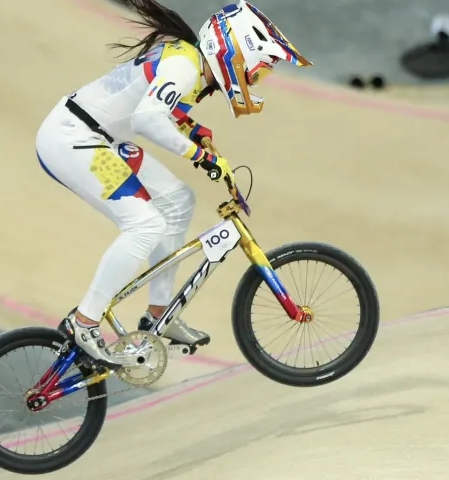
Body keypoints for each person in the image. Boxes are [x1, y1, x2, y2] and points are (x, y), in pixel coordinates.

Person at [35, 0, 311, 368]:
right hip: (76, 140)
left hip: (99, 138)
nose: (256, 79)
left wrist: (196, 134)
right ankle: (83, 322)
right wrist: (198, 154)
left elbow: (158, 106)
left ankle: (158, 314)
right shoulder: (184, 66)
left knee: (179, 201)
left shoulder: (190, 66)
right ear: (234, 54)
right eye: (257, 68)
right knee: (145, 225)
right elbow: (148, 118)